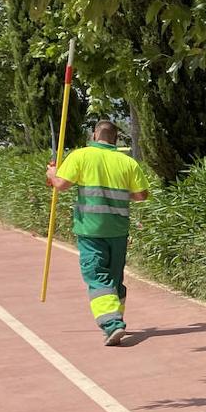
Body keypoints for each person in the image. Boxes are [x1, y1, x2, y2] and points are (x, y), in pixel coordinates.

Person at [45, 121, 150, 346]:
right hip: (118, 230)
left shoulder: (80, 156)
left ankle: (112, 324)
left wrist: (52, 173)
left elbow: (61, 185)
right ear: (116, 138)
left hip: (90, 230)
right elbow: (142, 195)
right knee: (113, 279)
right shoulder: (127, 162)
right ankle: (116, 319)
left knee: (96, 276)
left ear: (94, 134)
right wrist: (120, 196)